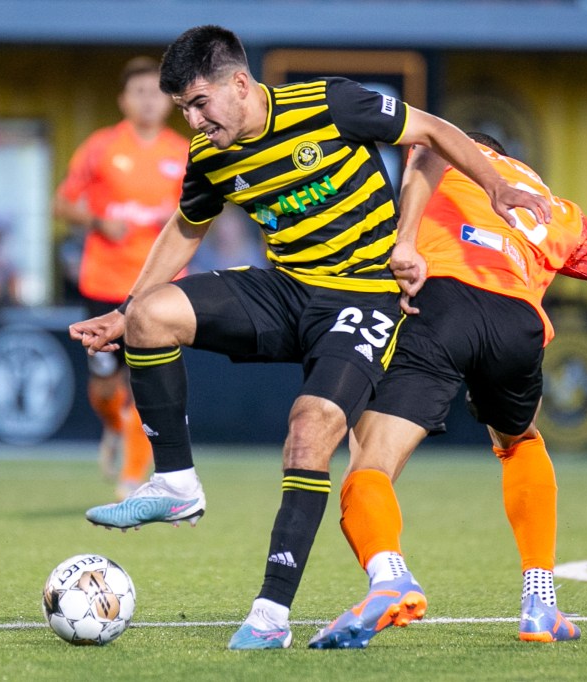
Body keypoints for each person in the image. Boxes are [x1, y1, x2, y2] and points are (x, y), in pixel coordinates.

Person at [69, 26, 551, 650]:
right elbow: (187, 228)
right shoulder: (211, 154)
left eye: (198, 103)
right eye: (183, 108)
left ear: (239, 84)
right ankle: (177, 485)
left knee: (311, 427)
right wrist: (127, 310)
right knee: (151, 317)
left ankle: (271, 614)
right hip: (289, 288)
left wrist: (497, 186)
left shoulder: (328, 105)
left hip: (364, 296)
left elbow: (432, 132)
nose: (191, 120)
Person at [307, 133, 587, 649]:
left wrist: (406, 240)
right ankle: (540, 603)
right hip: (518, 324)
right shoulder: (556, 210)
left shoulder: (450, 160)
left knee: (370, 460)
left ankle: (389, 574)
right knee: (519, 440)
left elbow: (431, 151)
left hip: (441, 305)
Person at [54, 56, 190, 499]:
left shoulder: (183, 152)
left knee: (143, 383)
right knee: (105, 385)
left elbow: (201, 213)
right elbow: (63, 204)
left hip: (158, 286)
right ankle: (113, 427)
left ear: (169, 101)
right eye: (140, 92)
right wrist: (96, 221)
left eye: (156, 92)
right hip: (104, 283)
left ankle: (133, 476)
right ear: (123, 100)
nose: (149, 101)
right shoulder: (101, 148)